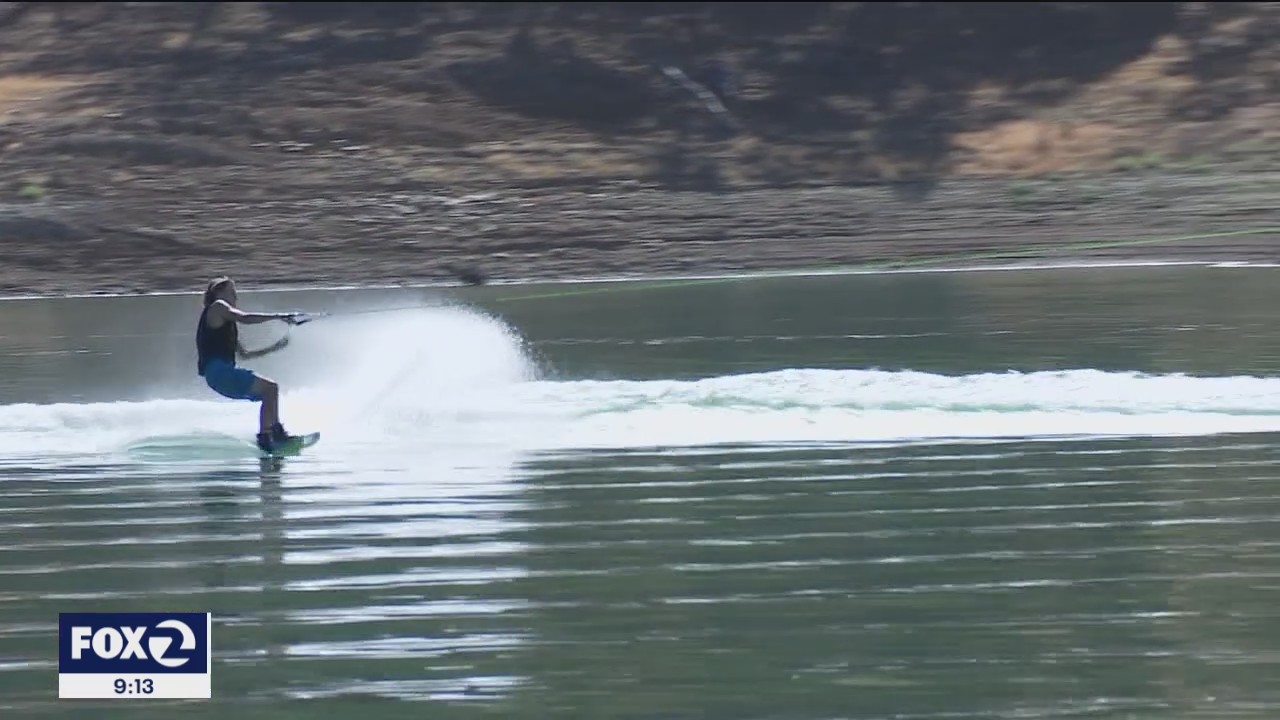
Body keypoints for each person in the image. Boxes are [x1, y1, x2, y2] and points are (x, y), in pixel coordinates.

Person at [197, 276, 307, 452]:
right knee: (270, 389)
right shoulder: (218, 306)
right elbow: (246, 318)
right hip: (220, 372)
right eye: (232, 292)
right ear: (218, 292)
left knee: (269, 392)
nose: (236, 297)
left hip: (217, 376)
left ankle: (269, 437)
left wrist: (275, 347)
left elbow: (245, 354)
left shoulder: (225, 322)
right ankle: (273, 437)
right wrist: (279, 316)